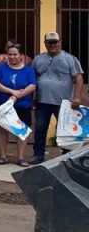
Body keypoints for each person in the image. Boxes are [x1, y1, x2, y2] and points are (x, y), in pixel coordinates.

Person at [31, 32, 84, 164]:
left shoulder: (70, 59)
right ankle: (38, 155)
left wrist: (77, 98)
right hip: (42, 101)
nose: (53, 45)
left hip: (64, 103)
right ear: (45, 43)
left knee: (65, 131)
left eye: (55, 42)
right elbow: (31, 80)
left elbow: (79, 78)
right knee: (40, 129)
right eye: (50, 42)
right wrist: (31, 98)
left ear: (60, 42)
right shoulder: (38, 59)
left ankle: (66, 157)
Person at [0, 43, 36, 167]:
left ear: (21, 55)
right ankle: (3, 156)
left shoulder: (28, 70)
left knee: (21, 130)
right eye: (9, 54)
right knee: (2, 129)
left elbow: (32, 86)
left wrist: (17, 96)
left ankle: (21, 157)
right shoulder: (1, 68)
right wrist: (12, 92)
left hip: (23, 104)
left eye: (15, 54)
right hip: (2, 103)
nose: (12, 57)